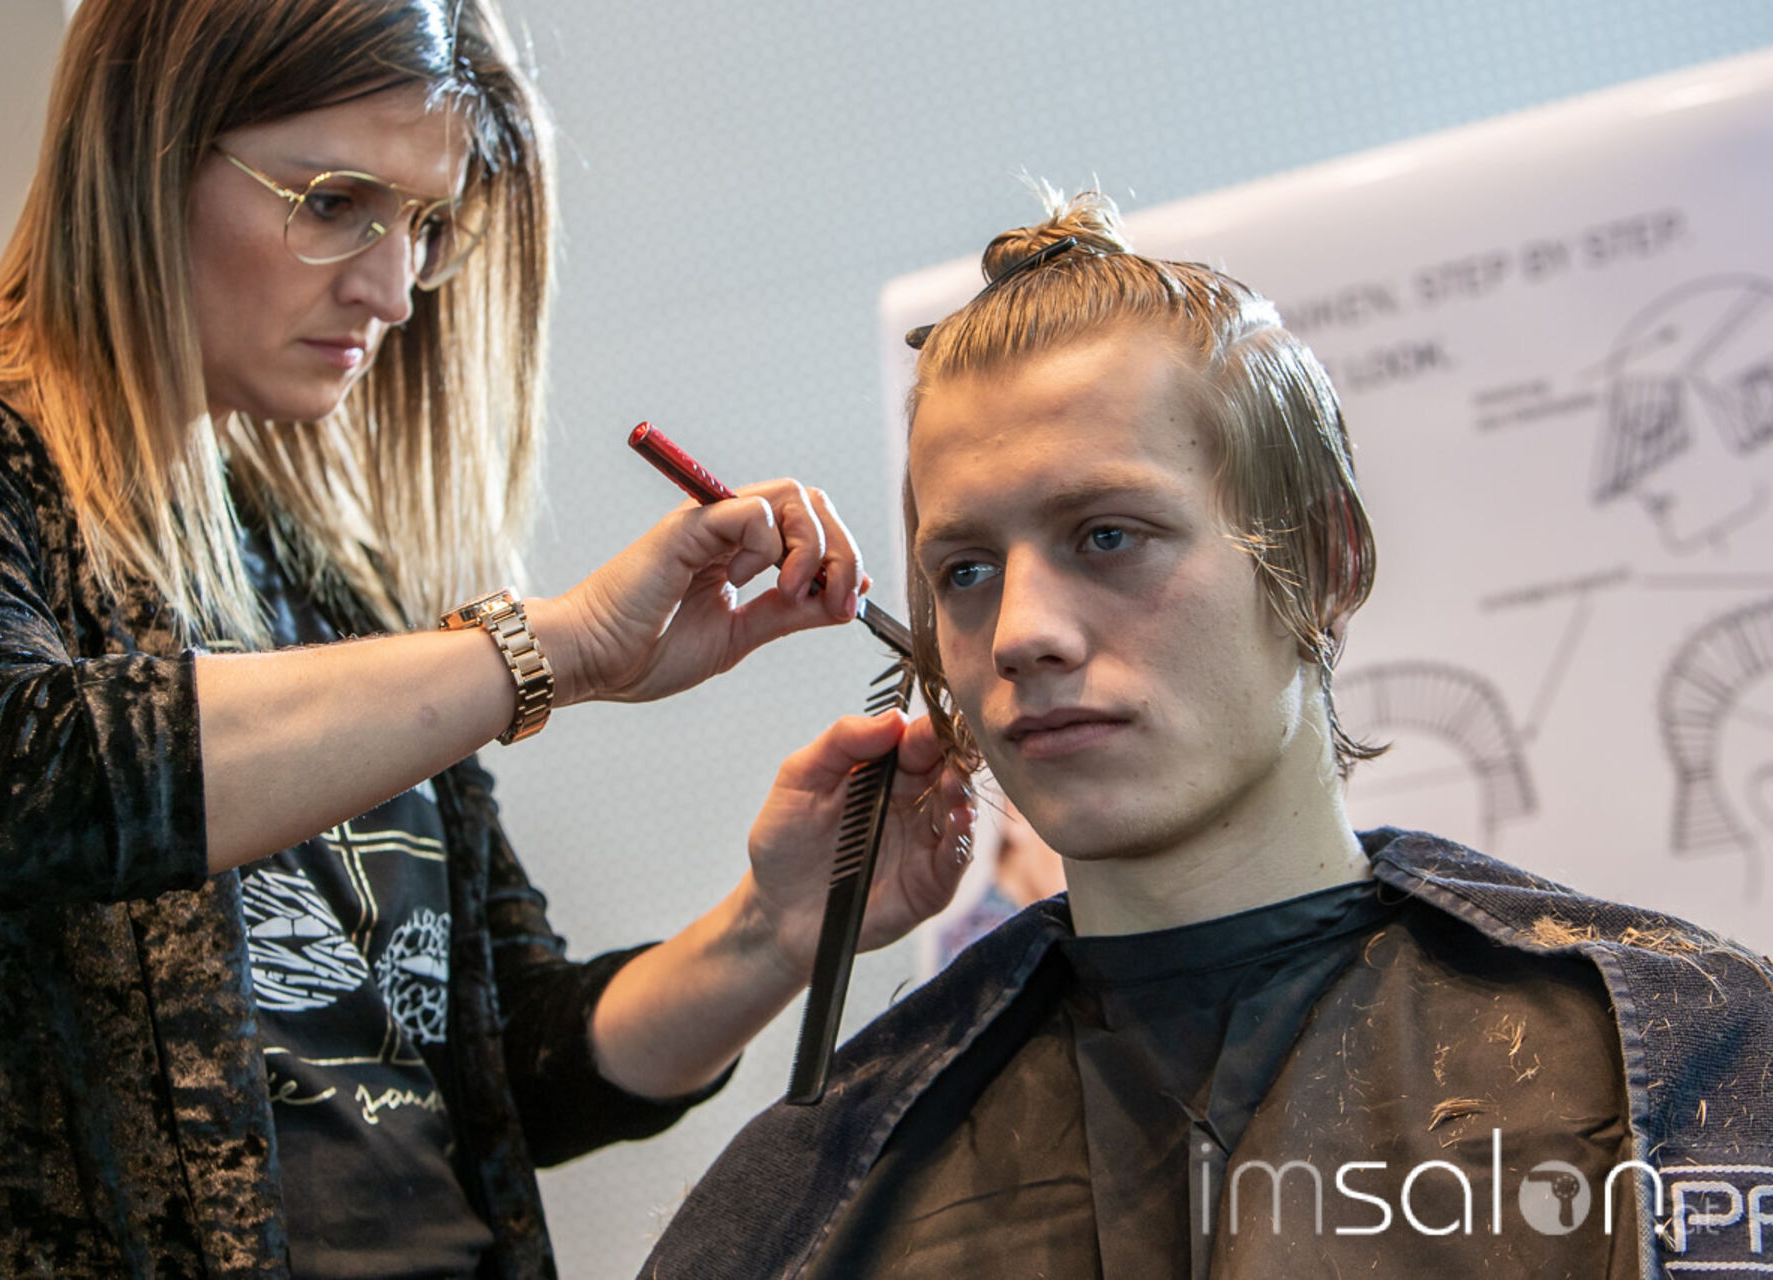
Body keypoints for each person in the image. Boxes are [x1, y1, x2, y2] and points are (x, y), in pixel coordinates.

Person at [0, 1, 976, 1274]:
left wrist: (777, 926)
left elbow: (511, 1067)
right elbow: (20, 777)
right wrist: (545, 649)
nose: (392, 291)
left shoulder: (332, 580)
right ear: (144, 151)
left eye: (427, 226)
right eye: (335, 202)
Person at [640, 189, 1773, 1278]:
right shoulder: (810, 1195)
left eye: (1108, 536)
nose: (1021, 634)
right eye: (967, 571)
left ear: (1326, 561)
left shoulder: (1677, 1064)